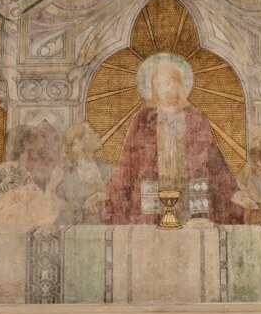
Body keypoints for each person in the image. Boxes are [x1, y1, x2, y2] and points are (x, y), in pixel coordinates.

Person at [103, 53, 243, 225]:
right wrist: (109, 191)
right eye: (159, 85)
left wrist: (233, 191)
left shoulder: (195, 117)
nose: (164, 89)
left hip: (188, 190)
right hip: (154, 189)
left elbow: (214, 159)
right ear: (153, 88)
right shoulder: (144, 118)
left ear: (178, 84)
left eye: (168, 83)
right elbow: (128, 162)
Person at [0, 125, 63, 228]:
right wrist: (53, 185)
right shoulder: (14, 171)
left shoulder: (8, 168)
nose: (42, 160)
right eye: (40, 153)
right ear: (27, 145)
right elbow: (41, 215)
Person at [54, 123, 113, 226]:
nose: (98, 135)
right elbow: (66, 218)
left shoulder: (109, 169)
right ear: (78, 142)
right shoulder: (66, 179)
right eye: (91, 132)